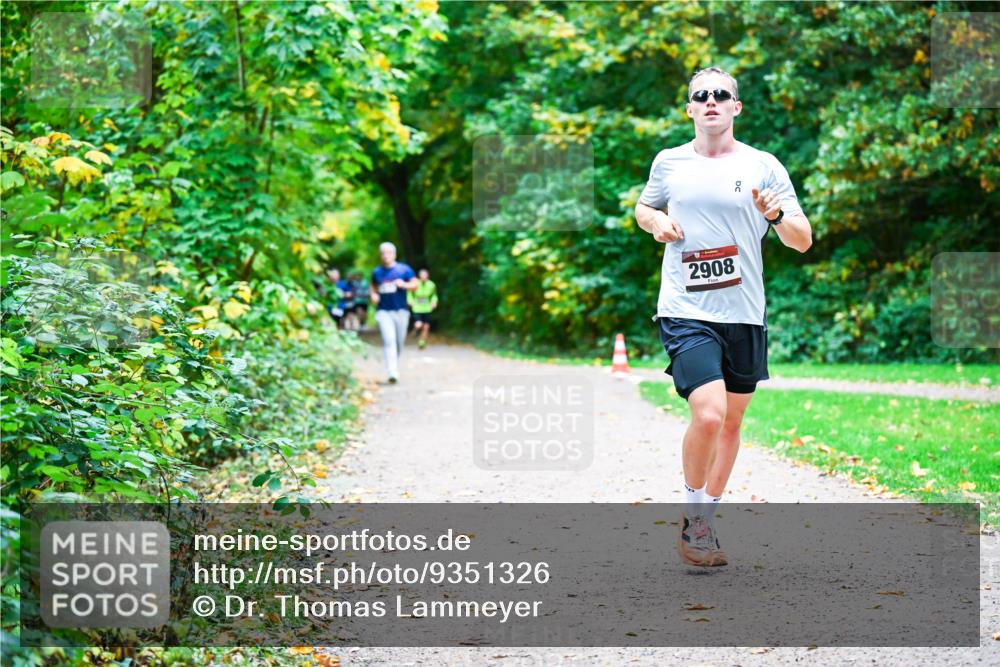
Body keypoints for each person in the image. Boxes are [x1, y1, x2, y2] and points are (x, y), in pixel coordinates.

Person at [634, 66, 812, 567]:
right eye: (700, 95)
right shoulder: (669, 162)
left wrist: (776, 216)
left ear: (736, 107)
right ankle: (692, 519)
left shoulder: (764, 166)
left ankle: (707, 519)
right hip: (685, 307)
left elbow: (802, 240)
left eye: (721, 95)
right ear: (689, 108)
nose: (711, 101)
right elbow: (643, 209)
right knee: (708, 414)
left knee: (731, 423)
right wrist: (657, 222)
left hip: (744, 313)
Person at [370, 242, 418, 383]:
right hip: (384, 311)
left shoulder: (404, 270)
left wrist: (404, 284)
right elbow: (373, 287)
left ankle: (394, 364)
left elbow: (415, 285)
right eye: (383, 253)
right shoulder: (377, 272)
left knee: (399, 342)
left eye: (388, 252)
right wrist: (373, 295)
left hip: (401, 311)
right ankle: (392, 371)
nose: (386, 255)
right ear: (380, 255)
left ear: (394, 254)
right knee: (389, 340)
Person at [407, 268, 438, 349]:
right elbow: (409, 293)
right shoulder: (415, 284)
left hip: (427, 308)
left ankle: (422, 341)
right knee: (419, 324)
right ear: (419, 276)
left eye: (425, 275)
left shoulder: (432, 285)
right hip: (417, 308)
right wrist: (410, 301)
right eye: (422, 275)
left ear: (428, 276)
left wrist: (434, 302)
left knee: (426, 327)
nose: (423, 277)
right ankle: (415, 330)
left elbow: (434, 295)